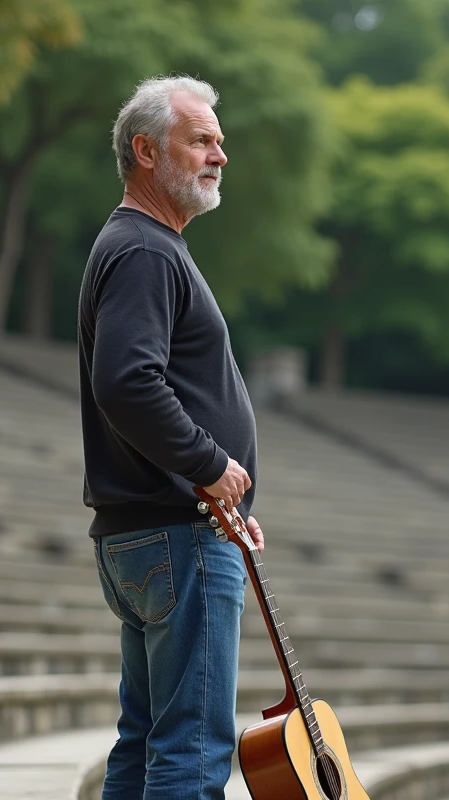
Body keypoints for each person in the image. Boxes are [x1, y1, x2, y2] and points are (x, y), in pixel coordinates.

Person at [76, 74, 265, 800]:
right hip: (177, 534)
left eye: (220, 140)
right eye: (201, 140)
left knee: (147, 738)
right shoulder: (147, 251)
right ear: (146, 151)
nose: (219, 154)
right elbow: (127, 382)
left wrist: (231, 495)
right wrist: (212, 466)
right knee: (189, 748)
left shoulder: (139, 245)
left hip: (162, 529)